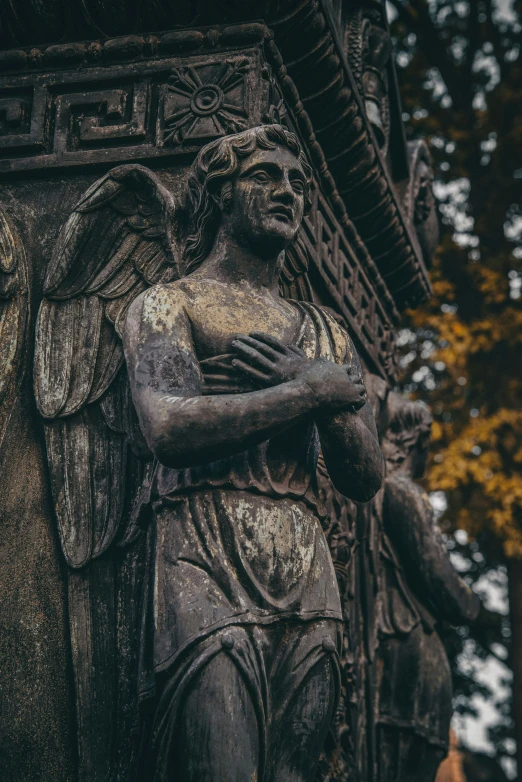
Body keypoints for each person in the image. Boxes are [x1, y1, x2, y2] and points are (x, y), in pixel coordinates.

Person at [123, 124, 384, 781]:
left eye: (298, 183)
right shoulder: (168, 304)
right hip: (202, 548)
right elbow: (169, 429)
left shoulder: (323, 327)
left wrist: (320, 389)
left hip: (305, 556)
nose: (287, 192)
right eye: (265, 176)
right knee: (222, 761)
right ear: (218, 194)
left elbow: (363, 474)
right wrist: (309, 392)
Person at [375, 392, 480, 782]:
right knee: (409, 757)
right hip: (409, 640)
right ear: (415, 442)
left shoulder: (378, 490)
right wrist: (473, 603)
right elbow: (443, 583)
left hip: (397, 640)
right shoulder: (403, 493)